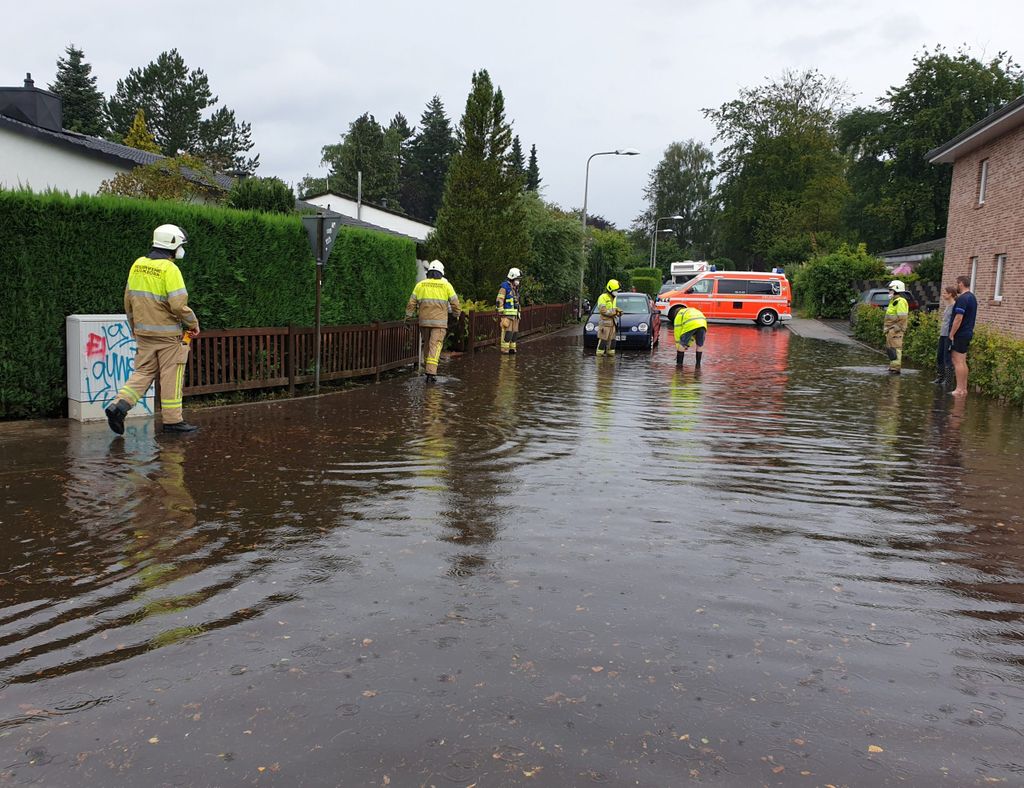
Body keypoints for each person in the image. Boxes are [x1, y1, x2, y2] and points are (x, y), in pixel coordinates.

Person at [104, 224, 200, 435]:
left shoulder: (137, 265)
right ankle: (173, 422)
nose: (181, 250)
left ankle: (118, 406)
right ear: (172, 244)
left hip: (143, 334)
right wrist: (192, 323)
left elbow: (128, 300)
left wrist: (134, 327)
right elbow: (177, 305)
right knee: (171, 375)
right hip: (167, 336)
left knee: (143, 373)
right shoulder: (170, 269)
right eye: (181, 245)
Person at [406, 259, 461, 382]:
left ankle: (427, 369)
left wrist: (408, 318)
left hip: (424, 322)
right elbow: (455, 304)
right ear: (441, 273)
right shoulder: (446, 285)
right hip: (439, 323)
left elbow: (411, 303)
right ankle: (431, 373)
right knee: (435, 346)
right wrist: (456, 315)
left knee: (427, 345)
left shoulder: (420, 285)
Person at [948, 274, 978, 397]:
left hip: (960, 334)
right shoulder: (972, 297)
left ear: (961, 283)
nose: (956, 286)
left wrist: (951, 333)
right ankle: (963, 388)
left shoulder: (962, 299)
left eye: (957, 283)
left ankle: (959, 389)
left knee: (957, 360)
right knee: (963, 361)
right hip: (967, 332)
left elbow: (958, 318)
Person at [883, 280, 910, 374]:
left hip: (896, 330)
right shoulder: (894, 301)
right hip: (891, 330)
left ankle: (896, 368)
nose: (889, 292)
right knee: (890, 348)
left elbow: (903, 318)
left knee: (896, 348)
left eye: (890, 290)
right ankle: (893, 366)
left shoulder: (900, 301)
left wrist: (896, 329)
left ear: (896, 290)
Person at [934, 285, 958, 386]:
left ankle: (948, 381)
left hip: (948, 335)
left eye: (945, 293)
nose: (943, 295)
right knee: (939, 356)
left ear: (950, 294)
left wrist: (951, 334)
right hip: (942, 334)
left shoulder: (954, 307)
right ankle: (940, 377)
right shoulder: (947, 306)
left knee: (947, 357)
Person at [496, 267, 523, 355]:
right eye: (517, 279)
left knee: (514, 333)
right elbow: (499, 299)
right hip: (507, 315)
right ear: (512, 277)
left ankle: (512, 349)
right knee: (507, 333)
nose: (518, 281)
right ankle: (505, 350)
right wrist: (501, 312)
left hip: (515, 315)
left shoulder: (515, 288)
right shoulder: (505, 287)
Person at [595, 279, 623, 356]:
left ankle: (610, 359)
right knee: (603, 342)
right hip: (605, 324)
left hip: (613, 324)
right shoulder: (603, 297)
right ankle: (599, 360)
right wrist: (614, 312)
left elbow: (613, 308)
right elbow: (603, 310)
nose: (617, 292)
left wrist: (618, 311)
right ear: (610, 289)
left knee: (612, 342)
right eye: (616, 290)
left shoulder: (614, 298)